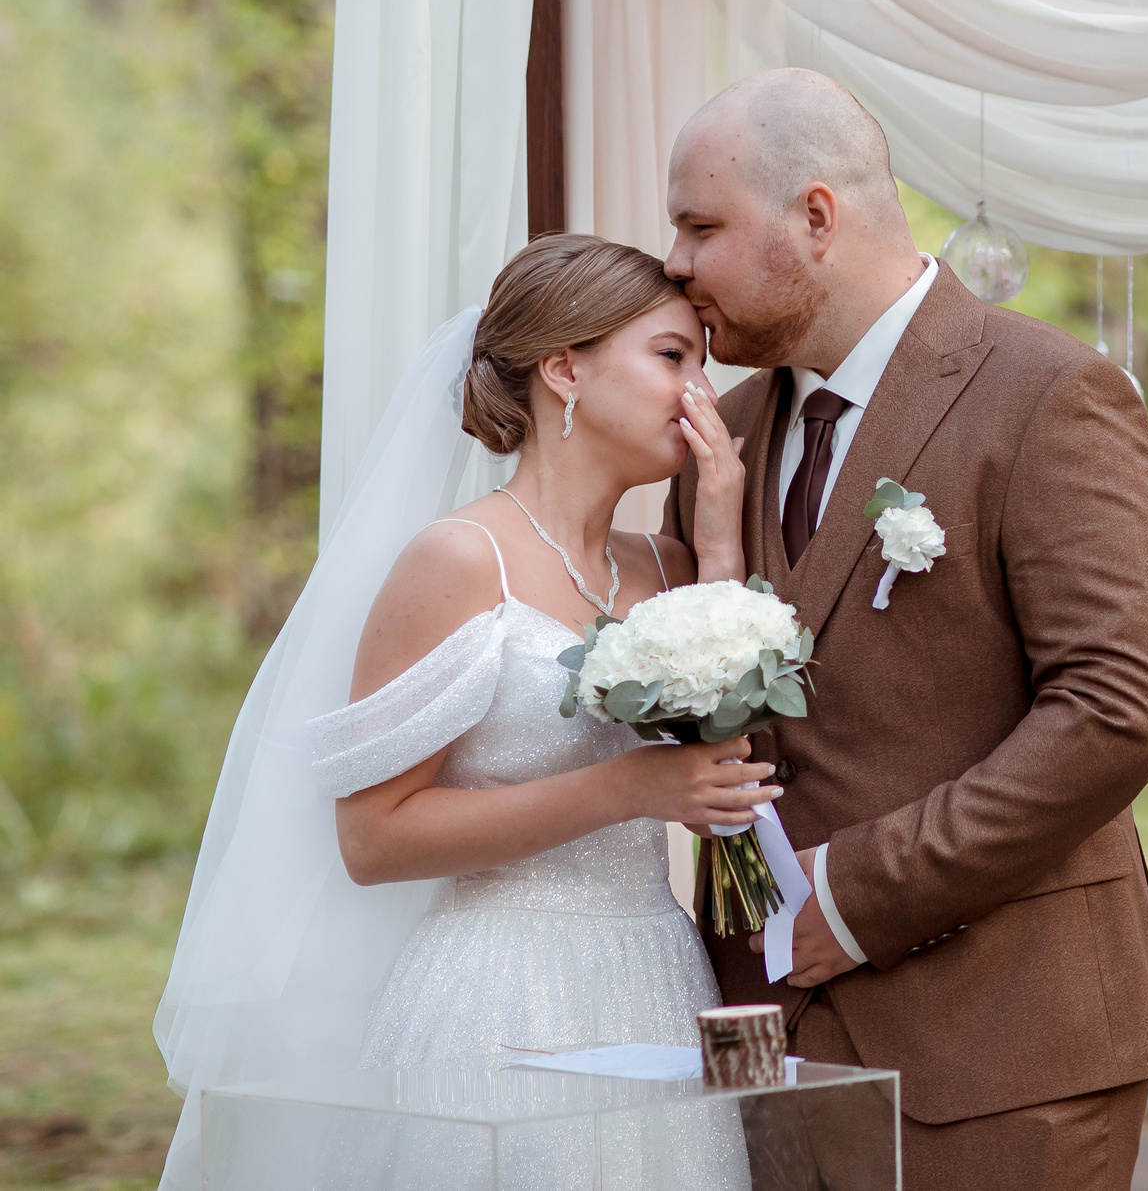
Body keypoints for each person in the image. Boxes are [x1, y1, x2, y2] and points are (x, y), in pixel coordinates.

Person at [660, 68, 1148, 1191]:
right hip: (762, 1036)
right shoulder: (728, 435)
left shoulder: (1049, 395)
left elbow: (1119, 708)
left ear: (816, 216)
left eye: (700, 226)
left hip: (1005, 1038)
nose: (674, 264)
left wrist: (851, 898)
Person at [152, 235, 770, 1190]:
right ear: (564, 368)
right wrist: (624, 786)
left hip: (659, 978)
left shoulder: (670, 566)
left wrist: (722, 533)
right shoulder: (456, 561)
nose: (701, 395)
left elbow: (725, 765)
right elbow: (373, 839)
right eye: (672, 357)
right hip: (499, 995)